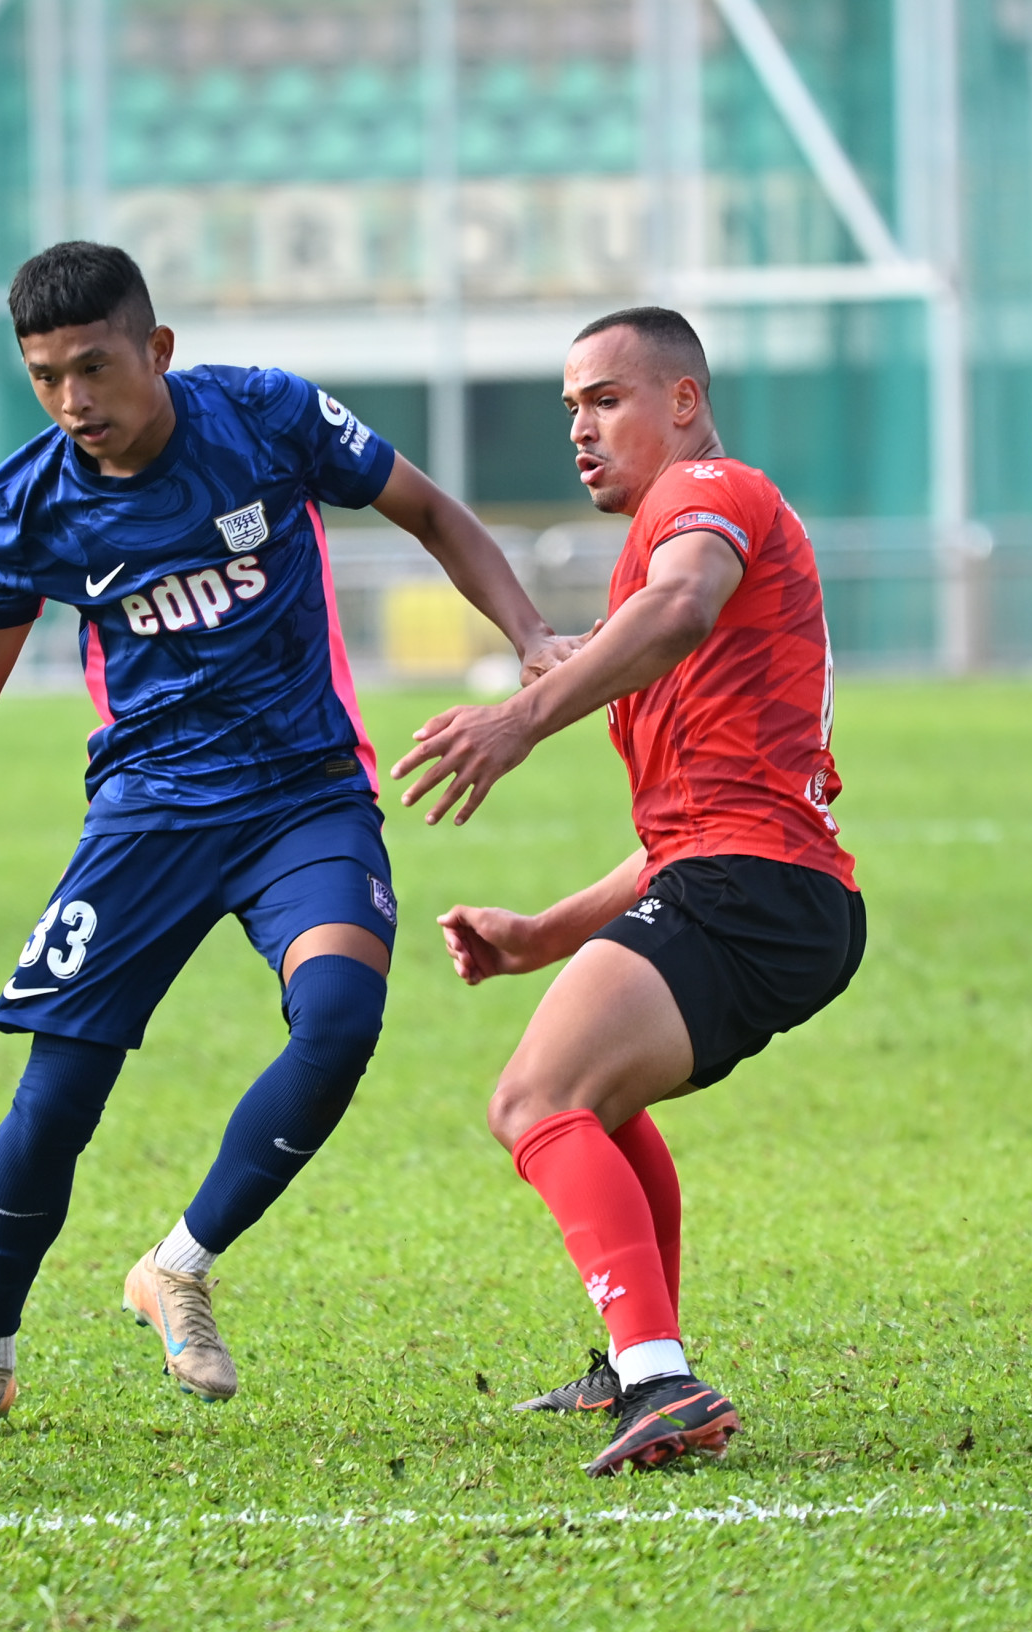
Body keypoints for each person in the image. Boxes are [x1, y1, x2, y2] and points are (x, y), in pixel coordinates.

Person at [0, 242, 559, 1443]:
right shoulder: (28, 502)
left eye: (94, 367)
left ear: (157, 349)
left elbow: (428, 509)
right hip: (146, 816)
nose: (73, 400)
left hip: (303, 796)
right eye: (45, 377)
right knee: (57, 1097)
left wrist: (528, 634)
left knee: (340, 1018)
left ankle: (178, 1265)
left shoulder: (266, 416)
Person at [393, 307, 865, 1477]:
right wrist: (539, 935)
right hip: (757, 883)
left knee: (535, 1099)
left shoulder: (708, 492)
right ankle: (635, 1362)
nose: (580, 429)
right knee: (586, 1101)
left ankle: (662, 1379)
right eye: (571, 408)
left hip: (757, 886)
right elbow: (678, 836)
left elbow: (683, 603)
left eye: (606, 399)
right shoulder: (648, 558)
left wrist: (519, 719)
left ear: (684, 402)